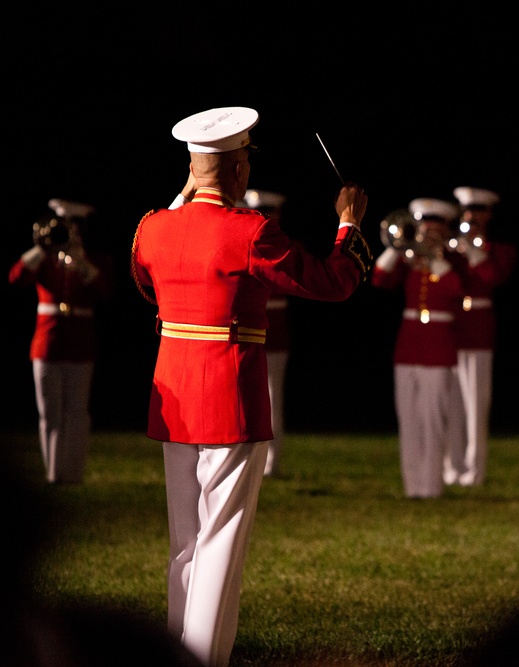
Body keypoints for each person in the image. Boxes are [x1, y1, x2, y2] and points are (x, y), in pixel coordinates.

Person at [130, 106, 372, 667]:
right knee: (220, 544)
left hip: (174, 395)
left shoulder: (153, 227)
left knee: (185, 543)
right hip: (228, 396)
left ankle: (177, 652)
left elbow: (146, 277)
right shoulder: (251, 231)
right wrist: (349, 224)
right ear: (239, 169)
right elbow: (334, 283)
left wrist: (184, 193)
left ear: (193, 168)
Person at [9, 199, 111, 484]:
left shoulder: (92, 259)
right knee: (49, 413)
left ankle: (73, 473)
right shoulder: (45, 259)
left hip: (80, 344)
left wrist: (82, 263)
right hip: (47, 343)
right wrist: (42, 249)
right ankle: (53, 473)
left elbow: (105, 291)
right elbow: (15, 278)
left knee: (77, 412)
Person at [371, 198, 466, 499]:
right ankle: (413, 486)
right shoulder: (409, 258)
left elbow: (457, 289)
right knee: (409, 418)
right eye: (423, 226)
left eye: (434, 227)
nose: (427, 232)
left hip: (438, 347)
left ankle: (432, 485)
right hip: (408, 346)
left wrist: (433, 256)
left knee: (433, 419)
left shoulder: (453, 259)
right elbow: (379, 278)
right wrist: (397, 247)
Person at [443, 186, 517, 487]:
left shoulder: (498, 250)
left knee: (475, 405)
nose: (471, 216)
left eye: (477, 211)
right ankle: (451, 466)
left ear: (488, 214)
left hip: (478, 331)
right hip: (450, 328)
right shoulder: (450, 246)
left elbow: (492, 278)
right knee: (451, 404)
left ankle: (474, 470)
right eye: (467, 211)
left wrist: (474, 251)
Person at [240, 189, 291, 478]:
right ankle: (246, 457)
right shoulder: (244, 242)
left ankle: (271, 462)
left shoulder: (285, 247)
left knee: (272, 398)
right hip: (246, 330)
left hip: (274, 334)